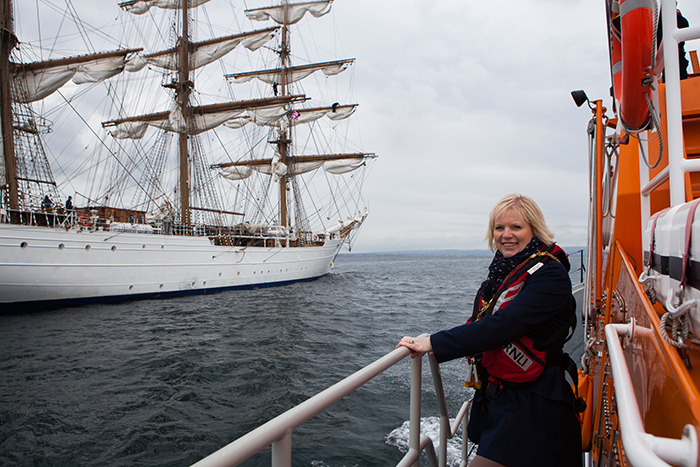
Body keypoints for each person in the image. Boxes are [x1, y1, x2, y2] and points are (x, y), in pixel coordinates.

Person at [398, 194, 581, 467]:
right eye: (499, 228)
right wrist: (430, 338)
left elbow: (505, 325)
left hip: (535, 400)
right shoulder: (503, 272)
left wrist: (436, 343)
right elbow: (482, 320)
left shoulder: (550, 276)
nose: (506, 235)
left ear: (534, 229)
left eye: (516, 227)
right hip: (502, 394)